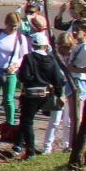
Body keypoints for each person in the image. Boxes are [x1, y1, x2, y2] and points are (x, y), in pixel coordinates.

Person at [15, 30, 66, 158]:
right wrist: (59, 94)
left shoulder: (29, 58)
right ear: (45, 45)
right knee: (26, 119)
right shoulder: (51, 59)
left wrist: (32, 79)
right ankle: (18, 143)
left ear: (33, 45)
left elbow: (23, 76)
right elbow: (58, 79)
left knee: (27, 121)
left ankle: (30, 151)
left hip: (31, 95)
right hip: (46, 95)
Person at [0, 11, 31, 131]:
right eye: (11, 25)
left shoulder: (21, 38)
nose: (13, 28)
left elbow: (24, 56)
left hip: (10, 72)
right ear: (6, 23)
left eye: (15, 26)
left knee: (8, 99)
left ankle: (10, 123)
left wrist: (16, 66)